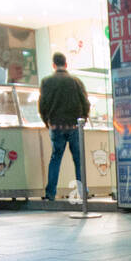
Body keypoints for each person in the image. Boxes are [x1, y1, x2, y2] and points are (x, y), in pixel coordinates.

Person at [37, 52, 90, 201]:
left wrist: (46, 121)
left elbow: (42, 105)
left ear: (53, 65)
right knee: (78, 160)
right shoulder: (76, 81)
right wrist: (83, 119)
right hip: (74, 126)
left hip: (56, 126)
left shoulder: (46, 82)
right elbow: (85, 102)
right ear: (66, 64)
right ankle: (82, 192)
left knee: (55, 159)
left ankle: (50, 193)